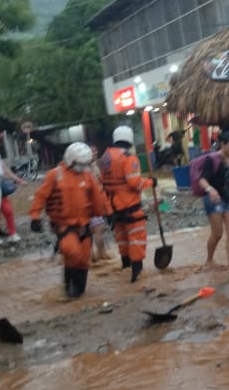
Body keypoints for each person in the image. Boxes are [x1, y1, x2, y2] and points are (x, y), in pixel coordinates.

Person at [30, 142, 111, 298]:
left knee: (84, 259)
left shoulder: (87, 175)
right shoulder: (55, 175)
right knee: (72, 253)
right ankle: (69, 287)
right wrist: (35, 216)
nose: (82, 167)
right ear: (71, 160)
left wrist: (108, 212)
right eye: (80, 164)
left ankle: (79, 291)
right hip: (64, 225)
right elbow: (41, 196)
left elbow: (99, 196)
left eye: (84, 164)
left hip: (84, 225)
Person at [100, 126, 155, 282]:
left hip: (113, 209)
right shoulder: (129, 158)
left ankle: (125, 268)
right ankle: (136, 276)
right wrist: (151, 182)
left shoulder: (106, 157)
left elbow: (103, 183)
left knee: (123, 239)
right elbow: (134, 183)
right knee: (137, 240)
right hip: (129, 206)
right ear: (129, 139)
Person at [197, 131, 229, 274]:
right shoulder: (212, 160)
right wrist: (210, 190)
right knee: (217, 233)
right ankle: (209, 261)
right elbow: (202, 180)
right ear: (222, 144)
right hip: (214, 200)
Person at [89, 145, 112, 262]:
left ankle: (97, 254)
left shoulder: (97, 165)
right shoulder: (86, 168)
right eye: (92, 150)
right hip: (91, 204)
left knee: (97, 229)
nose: (95, 152)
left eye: (95, 150)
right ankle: (98, 254)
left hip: (97, 202)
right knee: (98, 229)